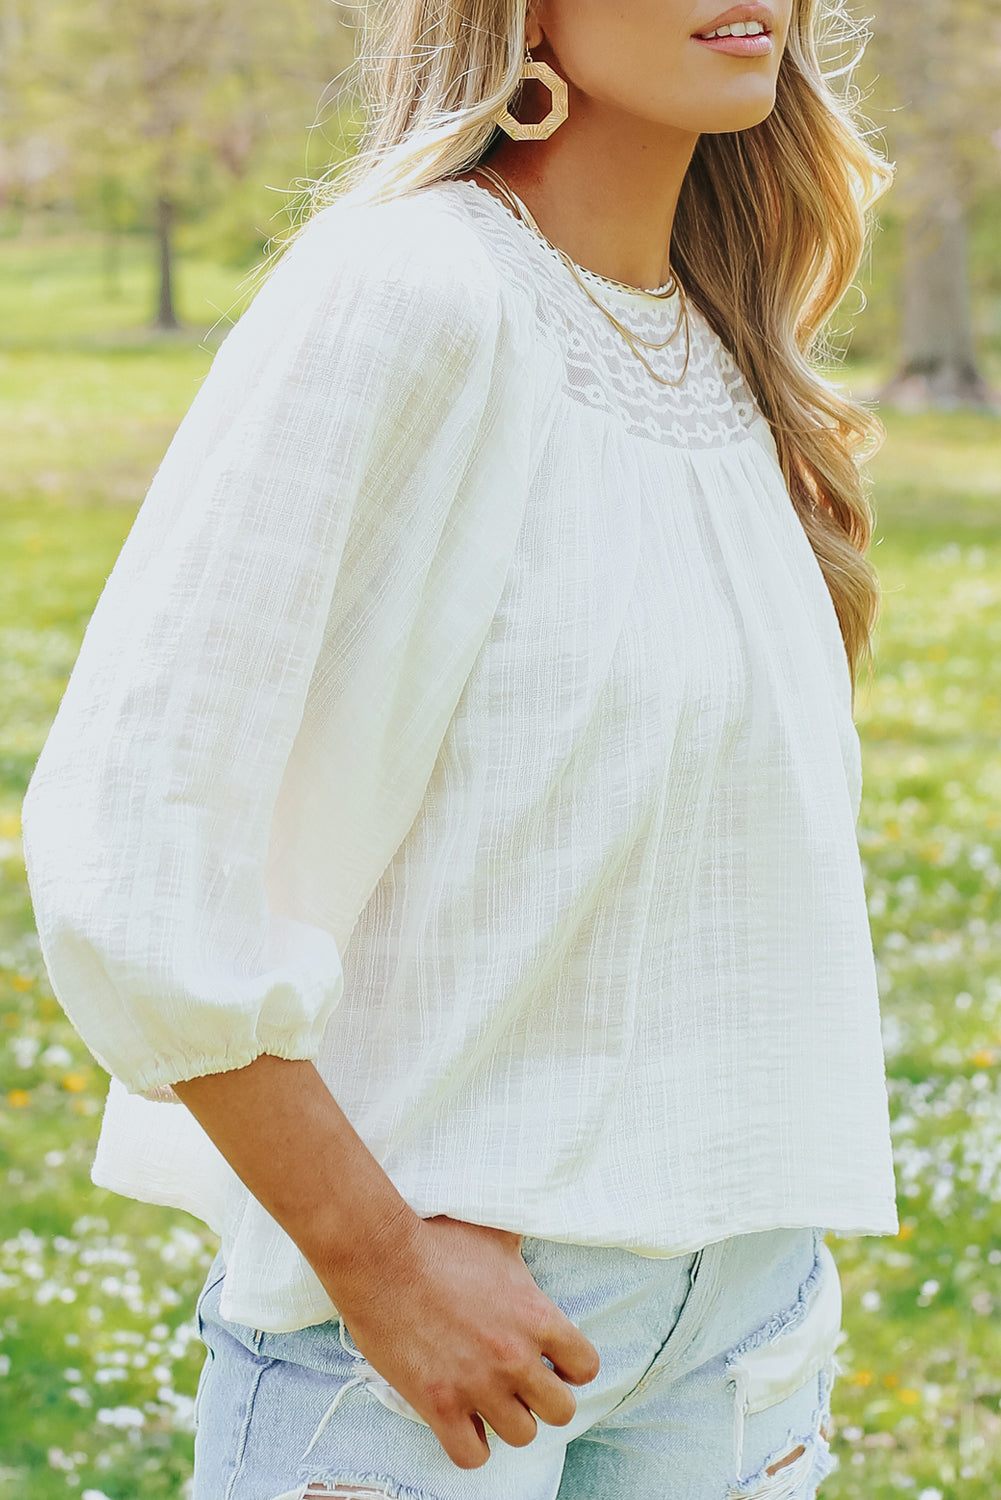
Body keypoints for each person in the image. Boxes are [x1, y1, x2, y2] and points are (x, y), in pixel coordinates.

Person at [20, 0, 900, 1496]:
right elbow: (129, 836)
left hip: (740, 1331)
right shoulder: (408, 293)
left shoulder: (723, 345)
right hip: (427, 1356)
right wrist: (373, 1261)